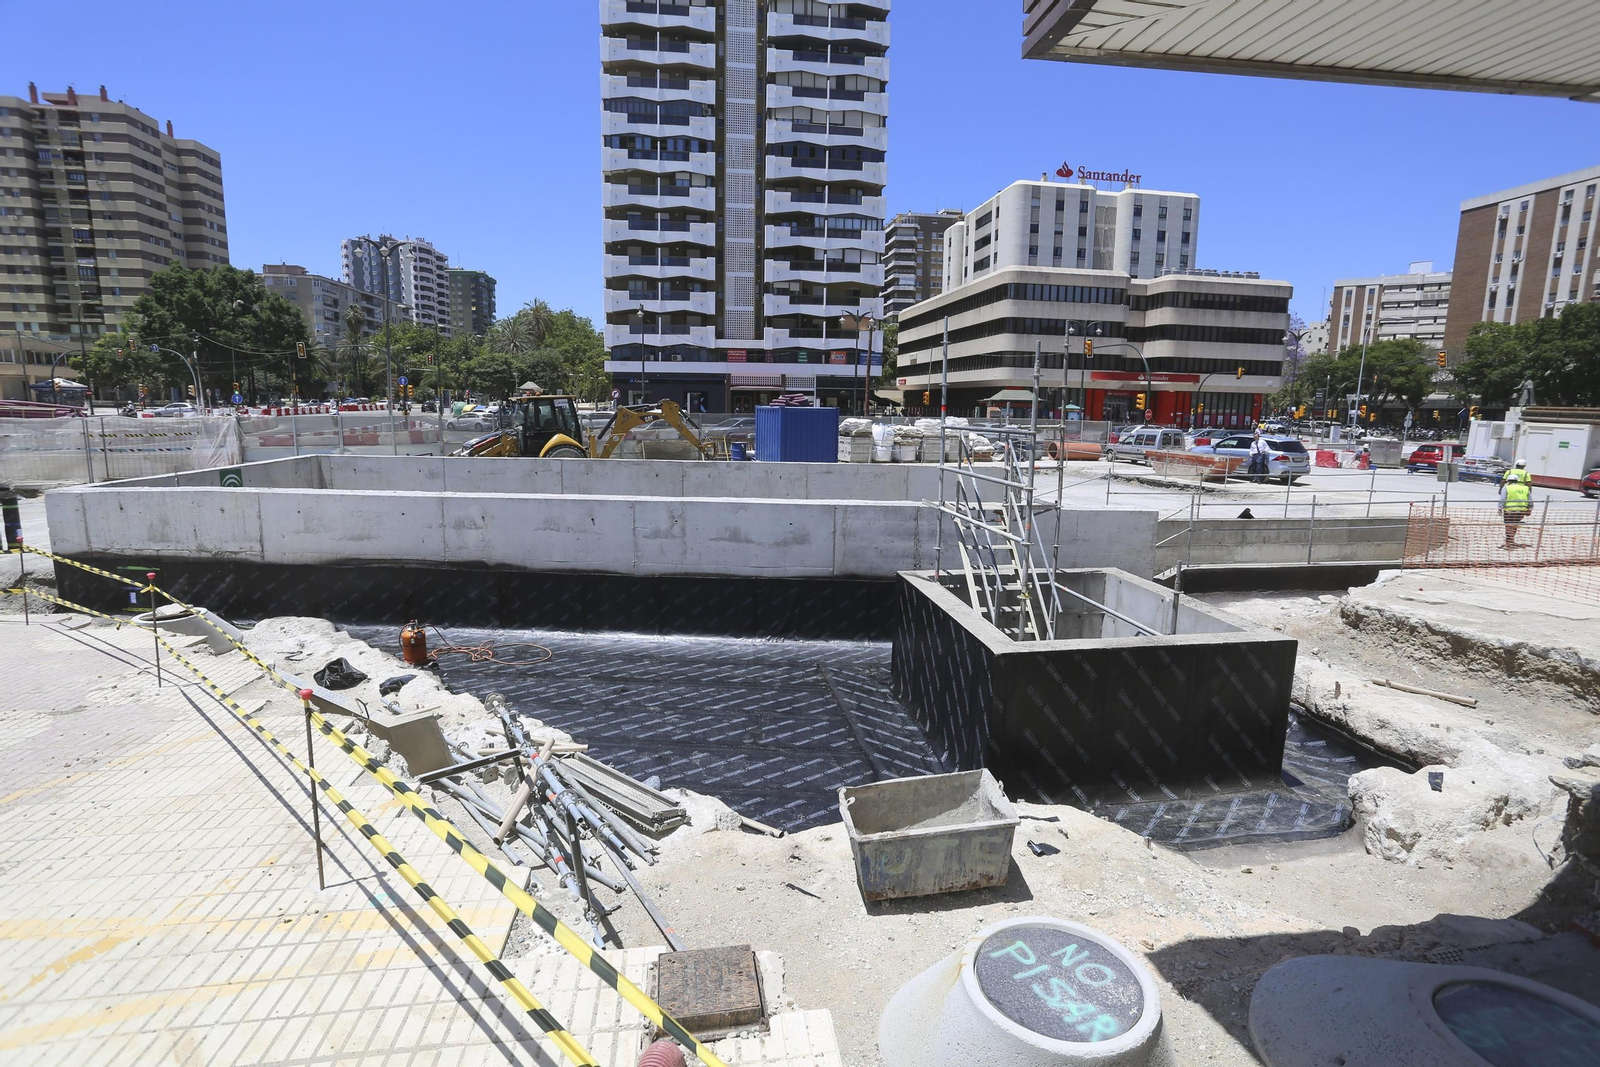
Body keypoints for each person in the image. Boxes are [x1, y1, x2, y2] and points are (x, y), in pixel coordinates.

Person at [1501, 477, 1532, 548]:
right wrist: (1530, 508)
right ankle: (1511, 540)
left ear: (1508, 481)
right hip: (1522, 510)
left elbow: (1503, 498)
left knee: (1508, 525)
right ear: (1517, 480)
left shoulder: (1507, 488)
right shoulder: (1525, 488)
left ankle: (1508, 543)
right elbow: (1530, 500)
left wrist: (1500, 507)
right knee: (1514, 525)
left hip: (1510, 510)